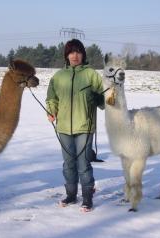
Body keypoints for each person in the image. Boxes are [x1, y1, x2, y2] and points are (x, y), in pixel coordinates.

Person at [46, 39, 104, 212]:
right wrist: (51, 111)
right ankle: (71, 195)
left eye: (78, 52)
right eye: (71, 52)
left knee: (83, 163)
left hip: (84, 127)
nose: (75, 55)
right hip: (63, 127)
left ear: (83, 54)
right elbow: (51, 98)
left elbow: (104, 100)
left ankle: (87, 198)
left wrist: (99, 98)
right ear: (66, 55)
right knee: (68, 164)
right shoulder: (58, 76)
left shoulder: (91, 75)